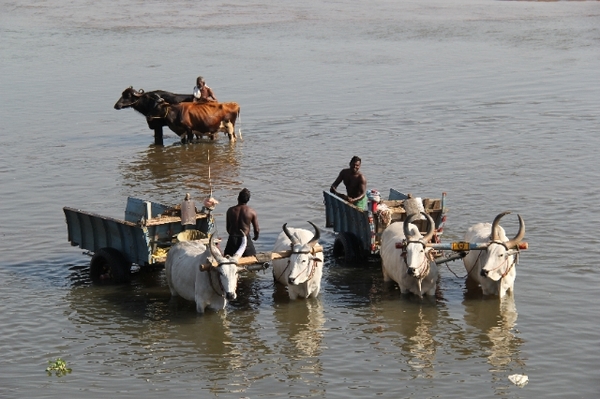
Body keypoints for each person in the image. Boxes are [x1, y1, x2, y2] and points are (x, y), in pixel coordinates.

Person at [224, 188, 260, 257]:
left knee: (227, 259)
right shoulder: (251, 212)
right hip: (245, 240)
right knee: (252, 259)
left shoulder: (230, 210)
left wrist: (233, 236)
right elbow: (257, 230)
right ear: (248, 200)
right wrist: (256, 237)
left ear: (238, 198)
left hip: (232, 240)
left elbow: (228, 228)